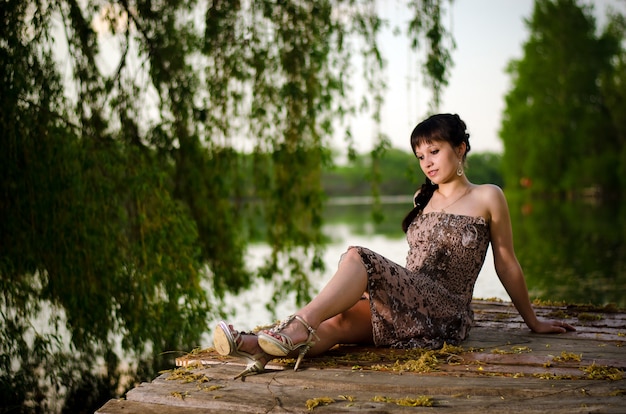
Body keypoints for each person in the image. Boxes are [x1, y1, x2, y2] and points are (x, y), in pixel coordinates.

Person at [213, 113, 576, 380]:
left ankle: (295, 326)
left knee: (358, 257)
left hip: (446, 312)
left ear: (460, 148)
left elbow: (507, 263)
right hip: (408, 302)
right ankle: (255, 346)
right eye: (421, 156)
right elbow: (412, 268)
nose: (427, 162)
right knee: (338, 321)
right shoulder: (423, 197)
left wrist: (534, 322)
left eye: (434, 151)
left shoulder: (488, 196)